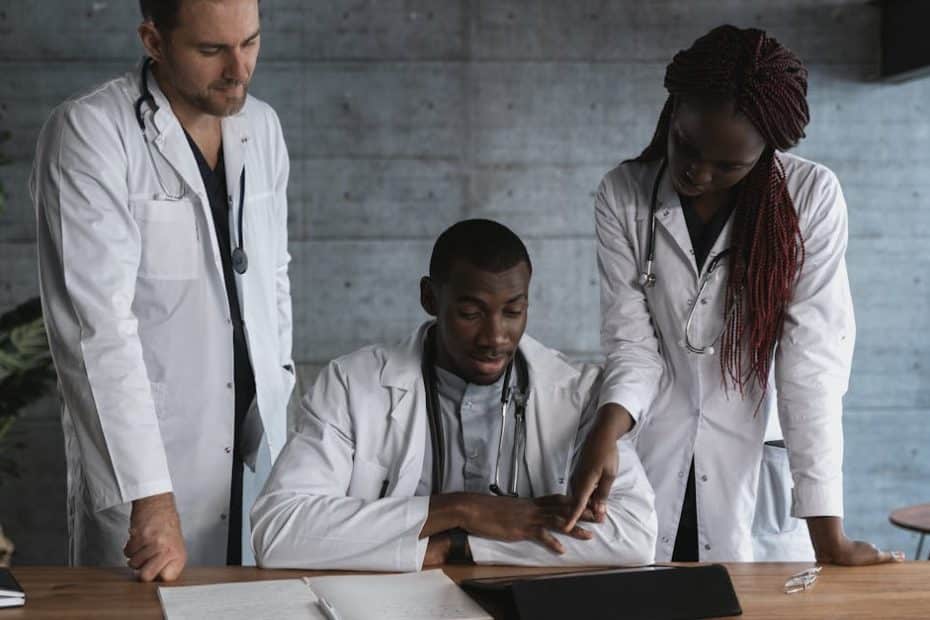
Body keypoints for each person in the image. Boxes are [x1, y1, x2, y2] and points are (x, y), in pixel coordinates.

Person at [567, 25, 904, 564]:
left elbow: (811, 369)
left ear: (766, 152)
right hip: (652, 451)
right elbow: (631, 345)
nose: (696, 173)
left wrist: (828, 538)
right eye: (686, 145)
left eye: (728, 166)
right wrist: (606, 431)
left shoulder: (810, 199)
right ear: (672, 110)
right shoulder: (624, 193)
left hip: (753, 472)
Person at [30, 0, 294, 580]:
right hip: (154, 466)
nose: (238, 68)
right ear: (153, 40)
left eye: (250, 42)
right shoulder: (91, 132)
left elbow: (273, 280)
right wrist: (149, 497)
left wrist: (280, 419)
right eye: (211, 50)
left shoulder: (263, 127)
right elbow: (94, 328)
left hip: (256, 456)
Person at [251, 220, 657, 571]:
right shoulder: (352, 384)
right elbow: (279, 529)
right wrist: (461, 509)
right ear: (430, 298)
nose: (495, 337)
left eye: (513, 311)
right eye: (471, 313)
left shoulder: (578, 392)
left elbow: (634, 535)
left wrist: (460, 545)